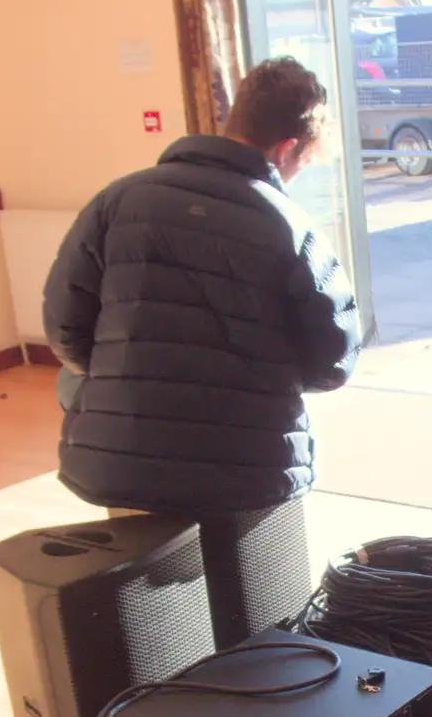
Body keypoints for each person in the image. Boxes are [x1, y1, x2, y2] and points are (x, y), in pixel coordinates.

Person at [44, 57, 360, 646]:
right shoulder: (289, 224)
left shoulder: (117, 201)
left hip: (127, 458)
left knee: (153, 633)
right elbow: (335, 360)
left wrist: (130, 372)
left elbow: (64, 330)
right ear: (289, 147)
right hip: (247, 466)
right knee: (262, 637)